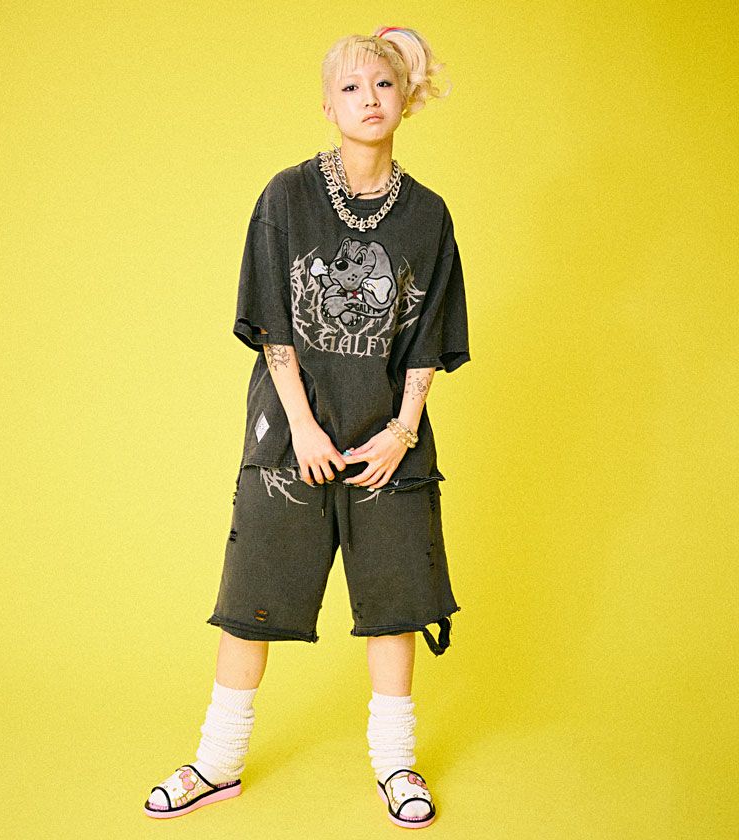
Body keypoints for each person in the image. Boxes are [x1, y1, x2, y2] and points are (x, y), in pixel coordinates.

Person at [144, 25, 471, 829]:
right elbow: (273, 324)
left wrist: (401, 432)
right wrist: (304, 430)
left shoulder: (428, 216)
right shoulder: (287, 197)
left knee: (396, 598)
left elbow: (428, 336)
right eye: (351, 88)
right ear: (328, 105)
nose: (369, 100)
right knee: (250, 593)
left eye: (383, 85)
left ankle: (395, 764)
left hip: (389, 441)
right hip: (290, 435)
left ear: (405, 99)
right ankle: (217, 762)